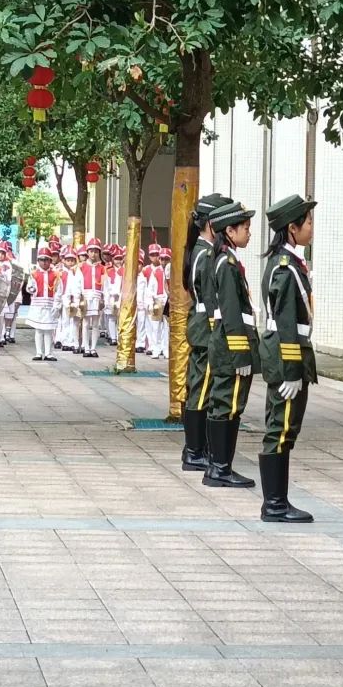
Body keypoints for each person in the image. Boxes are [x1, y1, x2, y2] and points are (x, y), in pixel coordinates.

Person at [257, 194, 318, 523]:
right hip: (285, 356)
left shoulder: (290, 262)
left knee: (283, 427)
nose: (311, 228)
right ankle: (275, 504)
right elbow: (285, 322)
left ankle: (277, 500)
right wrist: (293, 370)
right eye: (307, 223)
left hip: (285, 353)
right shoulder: (285, 267)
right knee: (280, 428)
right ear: (292, 229)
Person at [203, 200, 259, 489]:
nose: (249, 233)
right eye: (245, 228)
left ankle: (219, 466)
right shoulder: (226, 263)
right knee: (228, 404)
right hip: (230, 347)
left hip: (227, 345)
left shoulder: (227, 259)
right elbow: (230, 312)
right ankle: (220, 468)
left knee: (226, 404)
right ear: (229, 230)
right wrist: (241, 354)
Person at [180, 193, 231, 472]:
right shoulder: (205, 253)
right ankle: (194, 450)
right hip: (206, 328)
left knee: (202, 387)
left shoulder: (201, 249)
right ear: (211, 223)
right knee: (201, 390)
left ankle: (198, 449)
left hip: (202, 325)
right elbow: (210, 299)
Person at [26, 246, 63, 362]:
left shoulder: (56, 275)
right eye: (41, 260)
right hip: (38, 305)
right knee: (39, 329)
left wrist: (56, 305)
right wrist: (31, 288)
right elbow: (29, 288)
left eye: (46, 260)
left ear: (50, 261)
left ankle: (49, 353)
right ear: (38, 261)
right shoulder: (34, 274)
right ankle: (38, 352)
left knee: (49, 330)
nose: (44, 262)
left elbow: (59, 290)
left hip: (50, 305)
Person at [74, 238, 105, 357]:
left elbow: (104, 284)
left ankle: (93, 348)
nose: (93, 254)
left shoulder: (102, 268)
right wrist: (78, 298)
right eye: (91, 251)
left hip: (97, 296)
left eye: (96, 251)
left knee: (96, 323)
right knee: (86, 323)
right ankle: (86, 347)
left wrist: (104, 298)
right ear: (87, 252)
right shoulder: (81, 266)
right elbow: (77, 283)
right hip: (86, 296)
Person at [138, 244, 168, 359]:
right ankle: (155, 347)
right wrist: (149, 302)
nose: (163, 261)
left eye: (166, 259)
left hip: (167, 302)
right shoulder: (152, 271)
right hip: (157, 301)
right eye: (162, 258)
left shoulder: (172, 271)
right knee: (154, 327)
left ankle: (165, 349)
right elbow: (150, 288)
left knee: (166, 327)